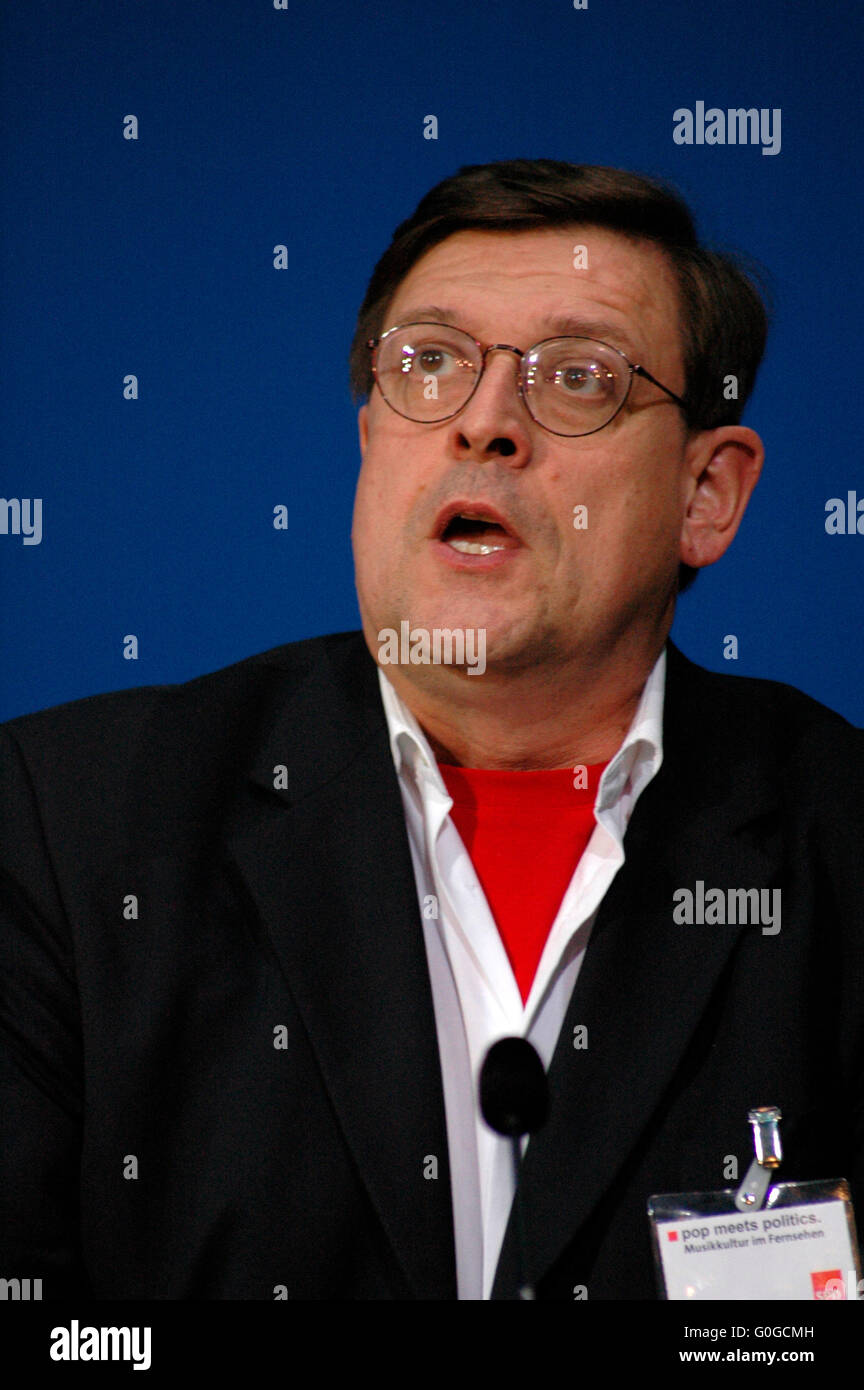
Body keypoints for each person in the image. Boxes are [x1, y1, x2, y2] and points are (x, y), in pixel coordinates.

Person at [1, 159, 862, 1302]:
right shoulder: (68, 823)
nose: (485, 424)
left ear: (706, 495)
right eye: (431, 364)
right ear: (370, 439)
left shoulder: (844, 839)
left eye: (579, 378)